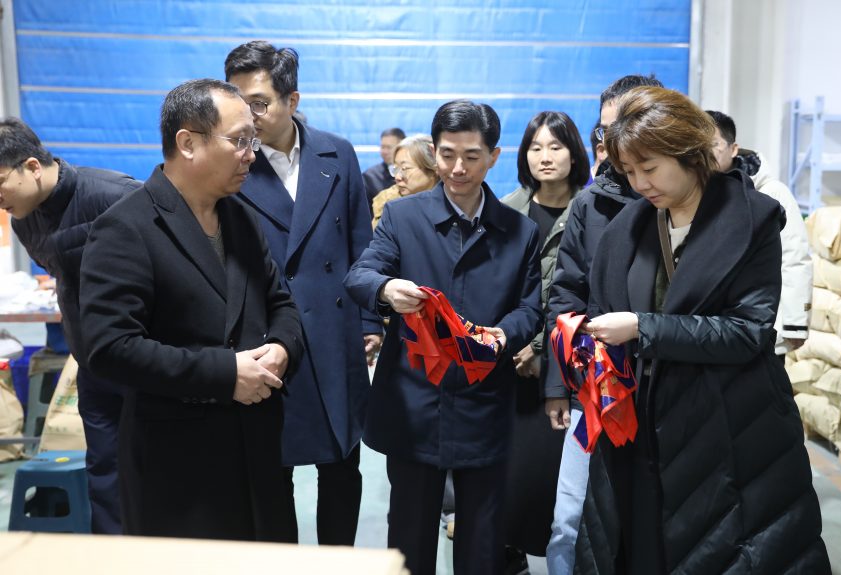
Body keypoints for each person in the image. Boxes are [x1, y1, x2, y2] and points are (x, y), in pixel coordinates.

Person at [582, 86, 830, 573]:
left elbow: (748, 331)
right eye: (629, 171)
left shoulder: (751, 219)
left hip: (731, 427)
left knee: (728, 551)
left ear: (687, 152)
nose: (639, 183)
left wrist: (643, 328)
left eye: (649, 168)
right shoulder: (628, 228)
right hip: (643, 431)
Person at [79, 78, 304, 541]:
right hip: (179, 467)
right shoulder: (126, 228)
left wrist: (283, 347)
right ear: (187, 143)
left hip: (259, 453)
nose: (251, 154)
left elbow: (279, 301)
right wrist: (224, 374)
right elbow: (111, 347)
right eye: (239, 140)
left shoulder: (241, 218)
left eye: (253, 140)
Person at [345, 99, 542, 575]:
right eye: (447, 154)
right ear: (434, 152)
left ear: (493, 156)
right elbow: (360, 275)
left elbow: (531, 308)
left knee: (483, 545)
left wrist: (502, 336)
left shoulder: (520, 231)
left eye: (472, 156)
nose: (457, 168)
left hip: (485, 402)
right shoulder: (402, 217)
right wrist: (386, 290)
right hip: (414, 402)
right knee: (410, 541)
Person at [224, 40, 380, 545]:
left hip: (336, 334)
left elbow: (361, 245)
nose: (247, 115)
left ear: (292, 100)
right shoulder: (230, 162)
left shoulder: (338, 153)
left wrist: (369, 321)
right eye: (237, 101)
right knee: (273, 477)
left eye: (259, 103)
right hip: (266, 339)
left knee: (342, 467)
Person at [543, 73, 662, 574]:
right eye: (605, 130)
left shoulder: (683, 201)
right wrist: (561, 382)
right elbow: (565, 295)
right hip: (594, 390)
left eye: (626, 125)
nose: (614, 140)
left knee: (650, 525)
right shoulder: (590, 204)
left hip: (664, 391)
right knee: (569, 522)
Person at [0, 118, 139, 534]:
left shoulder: (116, 195)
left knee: (158, 467)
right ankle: (115, 555)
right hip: (93, 364)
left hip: (144, 363)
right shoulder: (24, 220)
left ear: (32, 166)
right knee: (105, 470)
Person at [500, 111, 590, 571]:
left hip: (568, 361)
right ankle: (509, 551)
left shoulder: (592, 210)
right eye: (536, 148)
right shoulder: (507, 210)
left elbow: (583, 291)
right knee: (511, 473)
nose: (545, 157)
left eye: (556, 146)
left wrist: (539, 347)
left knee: (559, 476)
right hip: (509, 361)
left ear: (574, 153)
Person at [706, 110, 812, 358]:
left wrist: (795, 323)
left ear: (733, 149)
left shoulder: (771, 192)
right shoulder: (693, 193)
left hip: (762, 321)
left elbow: (794, 256)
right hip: (714, 326)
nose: (705, 153)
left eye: (713, 144)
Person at [372, 134, 439, 228]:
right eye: (395, 169)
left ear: (433, 169)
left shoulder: (453, 199)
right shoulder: (387, 202)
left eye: (405, 168)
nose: (397, 177)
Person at [364, 127, 406, 205]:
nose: (385, 151)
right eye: (383, 147)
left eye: (389, 147)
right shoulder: (370, 176)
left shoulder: (412, 172)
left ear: (402, 147)